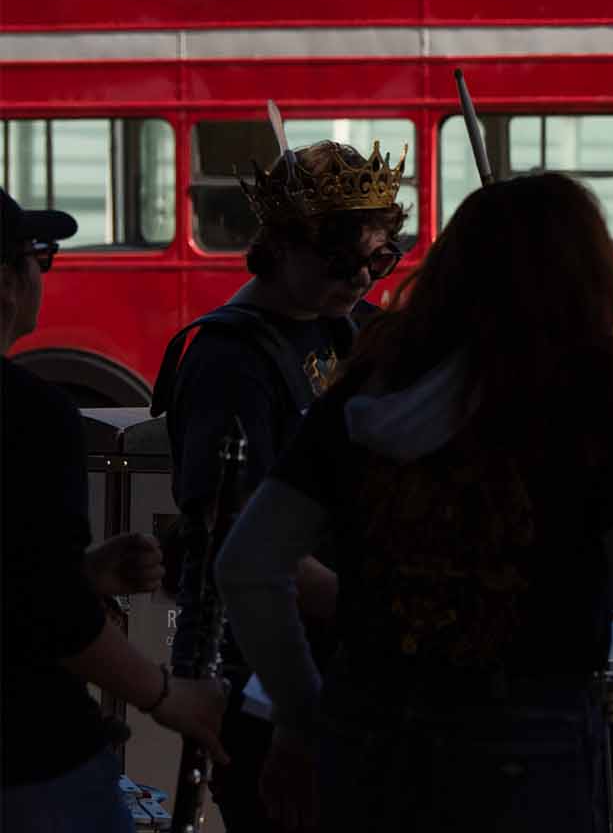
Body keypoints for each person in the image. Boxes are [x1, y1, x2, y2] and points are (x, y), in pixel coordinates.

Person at [217, 170, 613, 832]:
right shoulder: (598, 398)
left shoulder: (367, 387)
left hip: (368, 733)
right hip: (524, 745)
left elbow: (247, 564)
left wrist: (300, 708)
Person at [152, 138, 405, 832]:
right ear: (283, 244)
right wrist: (385, 615)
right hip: (265, 671)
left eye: (380, 259)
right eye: (341, 261)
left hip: (343, 655)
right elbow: (247, 542)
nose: (360, 281)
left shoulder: (353, 328)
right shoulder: (231, 361)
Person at [2, 189, 227, 833]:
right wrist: (171, 698)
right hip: (29, 759)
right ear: (5, 281)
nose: (42, 274)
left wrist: (85, 571)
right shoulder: (32, 416)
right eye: (37, 257)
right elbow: (54, 617)